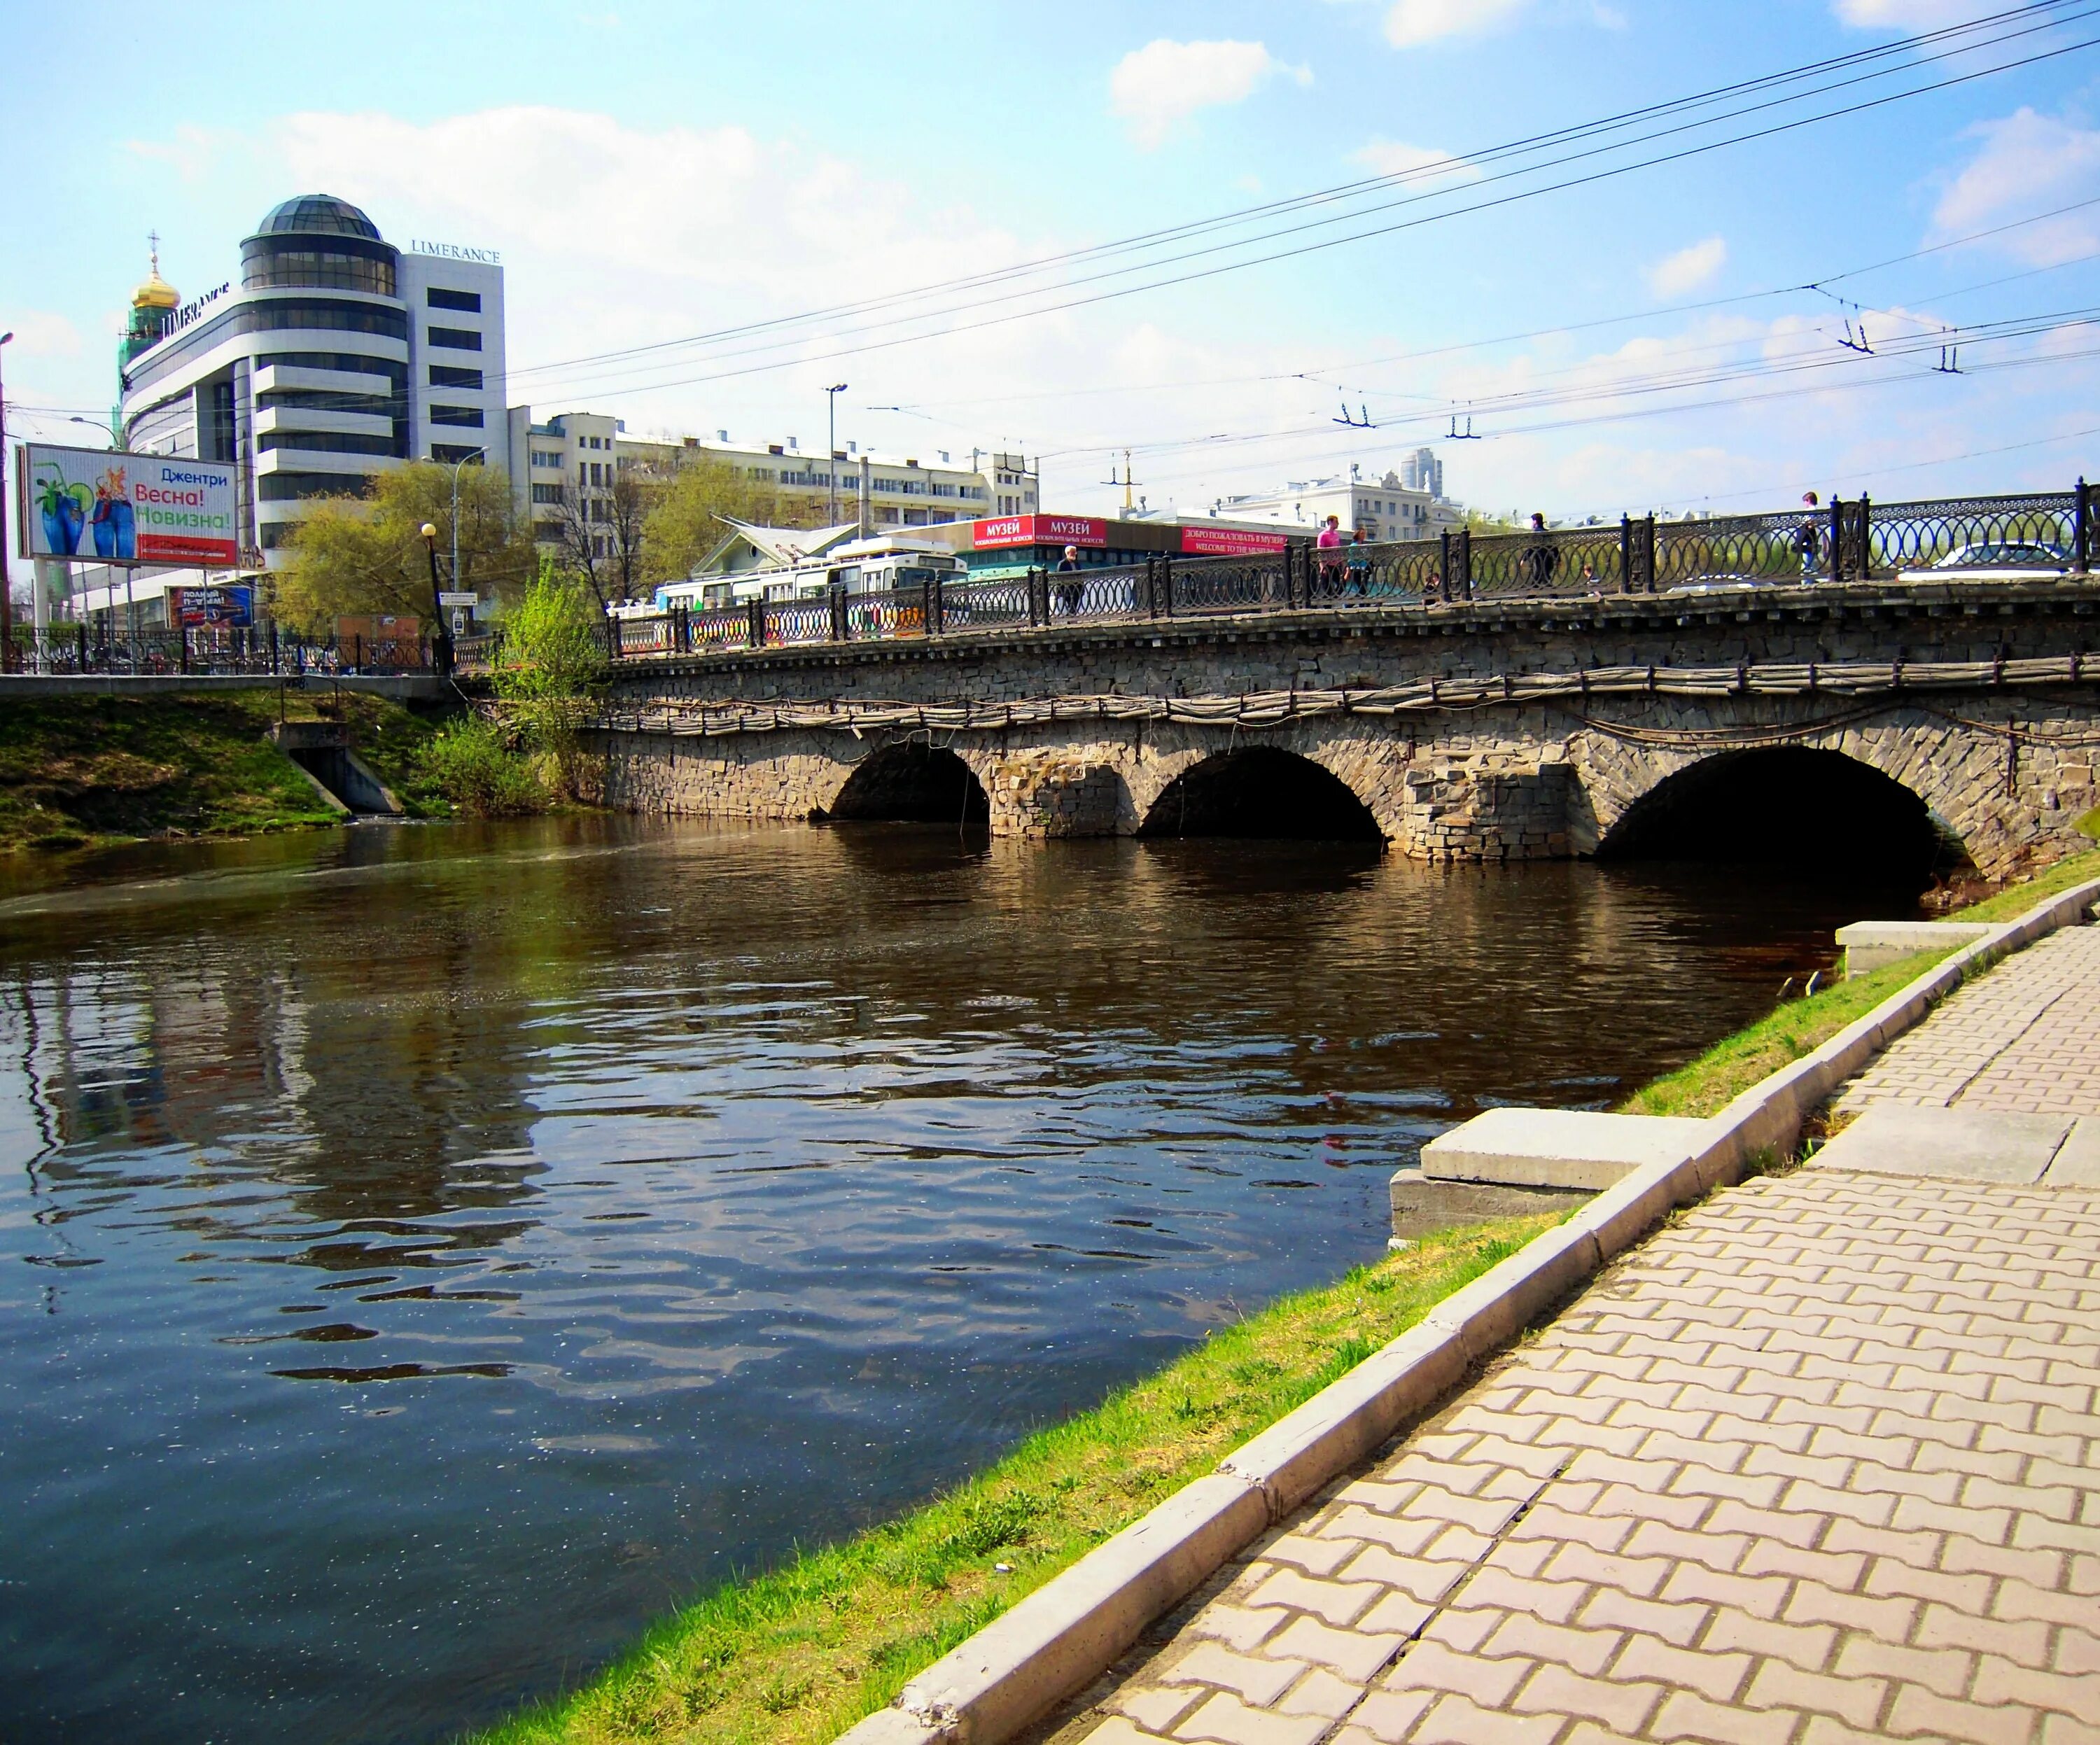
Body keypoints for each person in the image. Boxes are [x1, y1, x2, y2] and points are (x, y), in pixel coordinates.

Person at [1524, 511, 1556, 593]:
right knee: (1541, 577)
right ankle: (1531, 597)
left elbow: (1532, 548)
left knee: (1541, 577)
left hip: (1540, 559)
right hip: (1548, 560)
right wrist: (1558, 559)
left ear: (1535, 521)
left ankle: (1531, 598)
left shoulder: (1536, 534)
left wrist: (1524, 559)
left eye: (1533, 521)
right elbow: (1554, 548)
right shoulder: (1547, 533)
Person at [1796, 491, 1822, 581]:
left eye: (1805, 501)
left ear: (1809, 500)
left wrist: (1805, 525)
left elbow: (1811, 524)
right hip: (1809, 538)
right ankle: (1809, 581)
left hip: (1808, 538)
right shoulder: (1814, 510)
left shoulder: (1812, 510)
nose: (1805, 504)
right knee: (1809, 563)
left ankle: (1807, 583)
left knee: (1807, 563)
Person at [1316, 514, 1344, 597]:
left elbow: (1339, 549)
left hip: (1335, 564)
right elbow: (1320, 551)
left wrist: (1342, 563)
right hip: (1327, 564)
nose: (1338, 523)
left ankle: (1333, 597)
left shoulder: (1337, 535)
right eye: (1336, 522)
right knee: (1327, 587)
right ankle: (1327, 605)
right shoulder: (1323, 535)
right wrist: (1322, 566)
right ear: (1330, 522)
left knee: (1342, 583)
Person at [1055, 544, 1084, 615]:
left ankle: (1071, 618)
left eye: (1075, 552)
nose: (1075, 554)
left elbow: (1081, 575)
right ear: (1068, 553)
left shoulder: (1077, 563)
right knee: (1071, 604)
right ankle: (1071, 618)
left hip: (1077, 587)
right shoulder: (1062, 564)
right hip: (1067, 588)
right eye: (1073, 552)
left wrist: (1082, 588)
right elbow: (1059, 578)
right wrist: (1059, 591)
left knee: (1075, 604)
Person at [1345, 529, 1373, 596]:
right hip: (1356, 570)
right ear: (1357, 535)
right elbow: (1351, 559)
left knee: (1363, 589)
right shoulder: (1354, 546)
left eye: (1364, 533)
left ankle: (1363, 604)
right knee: (1362, 590)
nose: (1364, 535)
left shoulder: (1362, 546)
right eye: (1362, 533)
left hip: (1363, 569)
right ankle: (1349, 605)